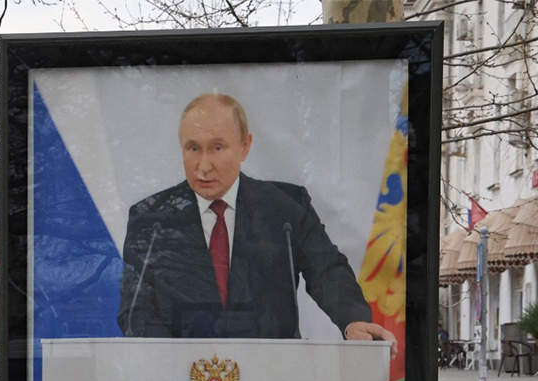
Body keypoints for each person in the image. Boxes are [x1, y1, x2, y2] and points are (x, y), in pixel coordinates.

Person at [117, 93, 397, 350]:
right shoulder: (151, 219)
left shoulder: (286, 206)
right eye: (193, 148)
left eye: (216, 148)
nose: (203, 166)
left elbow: (327, 271)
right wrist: (172, 361)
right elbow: (136, 312)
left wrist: (353, 320)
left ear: (244, 146)